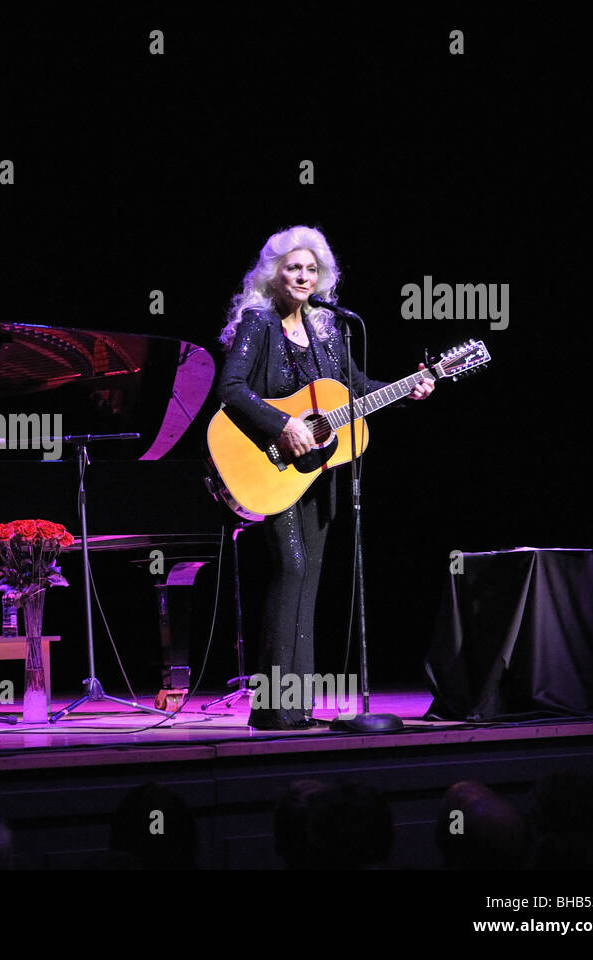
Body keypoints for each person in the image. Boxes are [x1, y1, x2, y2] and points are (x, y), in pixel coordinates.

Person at [217, 226, 432, 730]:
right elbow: (230, 388)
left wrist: (411, 386)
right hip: (267, 462)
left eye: (312, 269)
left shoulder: (330, 330)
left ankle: (296, 707)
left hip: (316, 474)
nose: (303, 276)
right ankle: (271, 707)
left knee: (309, 580)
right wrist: (284, 422)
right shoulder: (259, 323)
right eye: (294, 267)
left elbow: (356, 390)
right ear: (274, 273)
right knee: (290, 569)